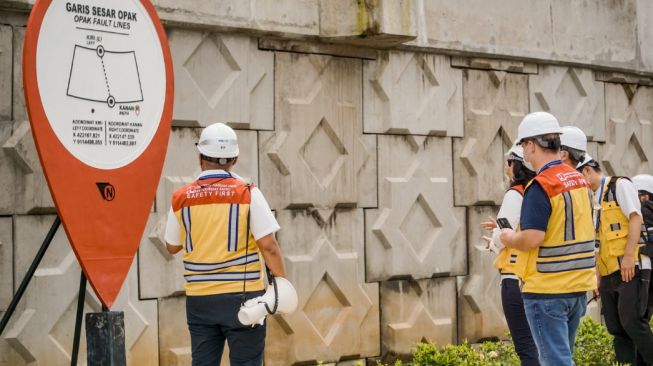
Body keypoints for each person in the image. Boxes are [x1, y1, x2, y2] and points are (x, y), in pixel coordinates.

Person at [164, 123, 287, 366]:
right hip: (244, 300)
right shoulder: (248, 193)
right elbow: (269, 245)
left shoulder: (181, 198)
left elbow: (171, 246)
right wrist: (281, 285)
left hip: (200, 301)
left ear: (200, 158)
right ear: (235, 159)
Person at [499, 111, 596, 366]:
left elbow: (532, 238)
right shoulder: (579, 180)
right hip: (577, 287)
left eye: (523, 145)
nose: (524, 153)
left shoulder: (541, 186)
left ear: (531, 145)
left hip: (547, 290)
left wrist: (508, 237)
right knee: (563, 358)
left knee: (555, 362)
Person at [577, 156, 653, 365]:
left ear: (587, 171)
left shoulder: (620, 185)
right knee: (616, 326)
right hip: (608, 271)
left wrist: (629, 257)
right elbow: (599, 241)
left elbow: (635, 218)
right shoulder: (593, 200)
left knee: (632, 322)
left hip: (630, 267)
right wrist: (597, 276)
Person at [480, 142, 539, 365]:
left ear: (516, 164)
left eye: (508, 162)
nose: (506, 168)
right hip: (536, 277)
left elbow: (502, 236)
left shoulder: (516, 194)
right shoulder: (540, 191)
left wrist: (494, 241)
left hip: (515, 278)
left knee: (526, 346)